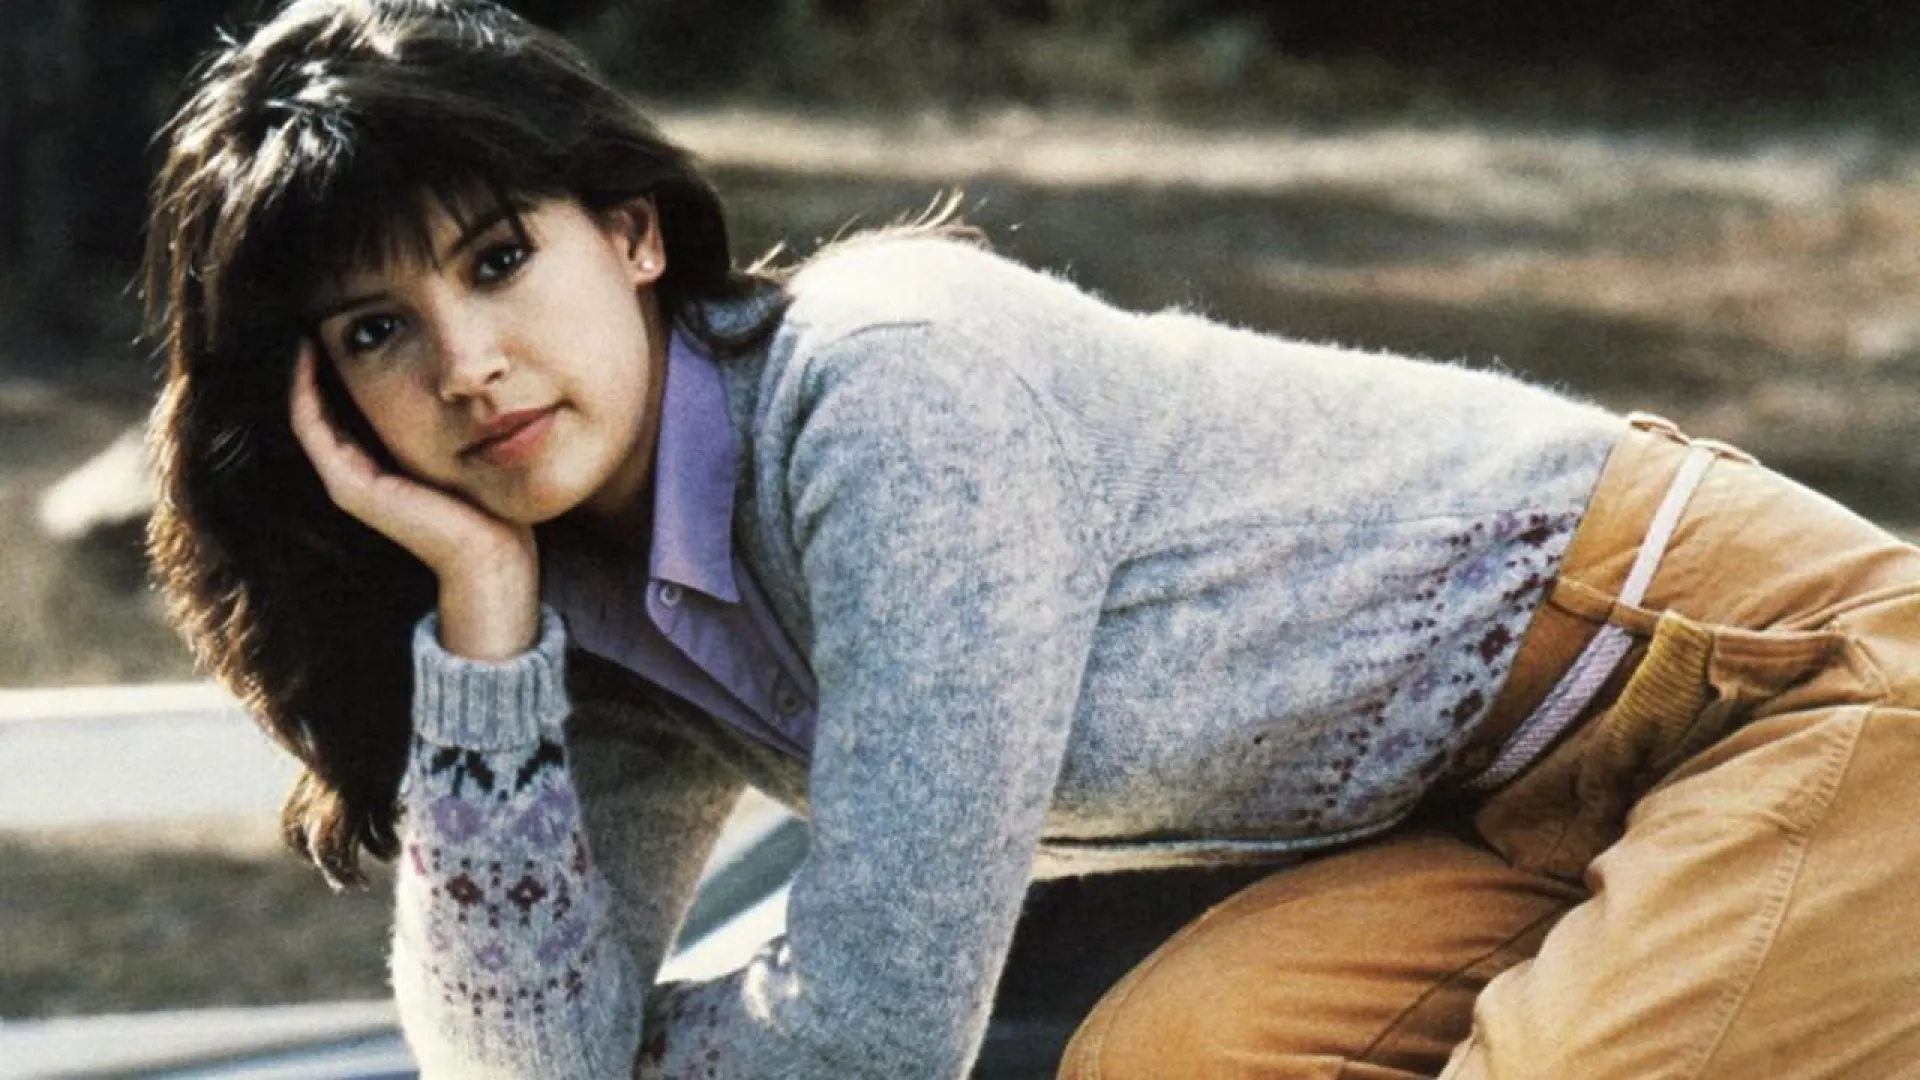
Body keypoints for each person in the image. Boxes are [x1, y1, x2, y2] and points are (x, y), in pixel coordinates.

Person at [142, 1, 1920, 1077]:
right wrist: (486, 635)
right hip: (1486, 820)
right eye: (374, 330)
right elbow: (530, 1065)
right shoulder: (609, 606)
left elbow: (879, 1039)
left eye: (497, 258)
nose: (465, 362)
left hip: (1780, 692)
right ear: (317, 404)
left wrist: (666, 1054)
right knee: (1162, 1060)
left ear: (631, 234)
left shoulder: (891, 389)